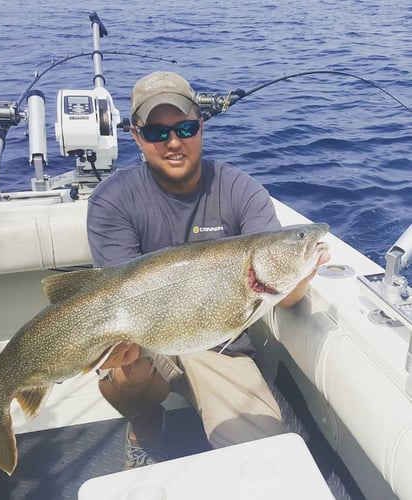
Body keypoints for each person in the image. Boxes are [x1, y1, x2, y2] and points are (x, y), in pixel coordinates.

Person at [87, 71, 329, 468]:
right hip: (146, 337)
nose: (174, 142)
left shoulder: (241, 190)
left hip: (220, 345)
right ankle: (144, 430)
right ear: (136, 135)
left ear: (200, 125)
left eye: (184, 127)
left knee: (266, 460)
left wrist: (301, 268)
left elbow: (281, 296)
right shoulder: (111, 200)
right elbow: (116, 294)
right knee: (126, 379)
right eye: (156, 133)